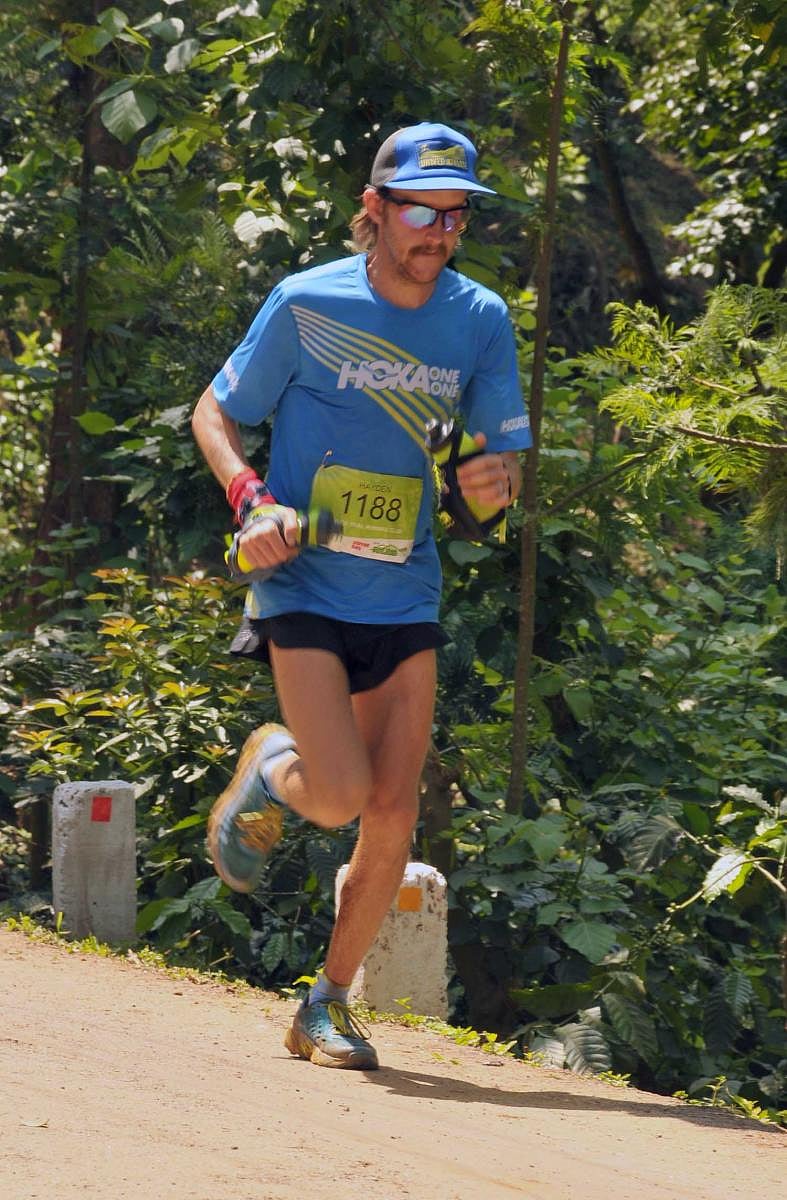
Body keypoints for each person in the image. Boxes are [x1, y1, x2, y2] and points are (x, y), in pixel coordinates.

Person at [191, 121, 532, 1070]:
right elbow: (215, 411)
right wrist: (249, 498)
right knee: (337, 797)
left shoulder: (478, 318)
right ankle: (274, 765)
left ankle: (325, 1006)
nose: (439, 231)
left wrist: (484, 488)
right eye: (421, 210)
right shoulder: (306, 302)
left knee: (392, 810)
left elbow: (486, 470)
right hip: (301, 579)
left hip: (404, 589)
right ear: (374, 211)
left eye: (455, 215)